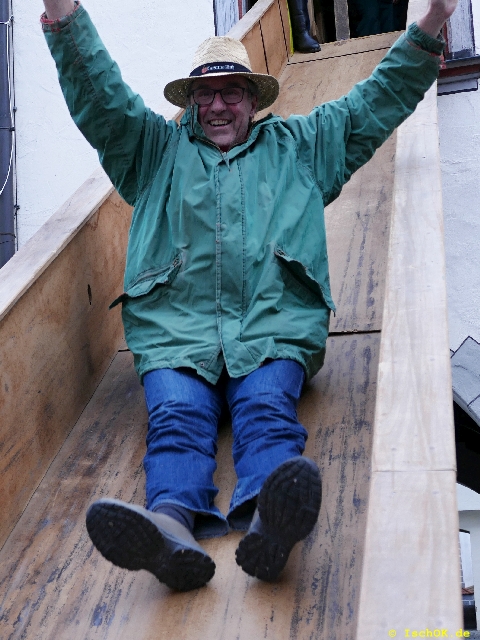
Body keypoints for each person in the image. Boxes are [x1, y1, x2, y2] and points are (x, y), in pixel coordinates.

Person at [41, 0, 457, 593]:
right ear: (190, 102)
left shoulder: (300, 148)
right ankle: (170, 527)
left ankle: (271, 520)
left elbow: (372, 103)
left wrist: (433, 20)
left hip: (271, 329)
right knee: (177, 420)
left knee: (266, 412)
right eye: (204, 95)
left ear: (254, 100)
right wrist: (63, 15)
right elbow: (100, 96)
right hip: (175, 335)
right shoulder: (152, 153)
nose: (217, 105)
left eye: (231, 93)